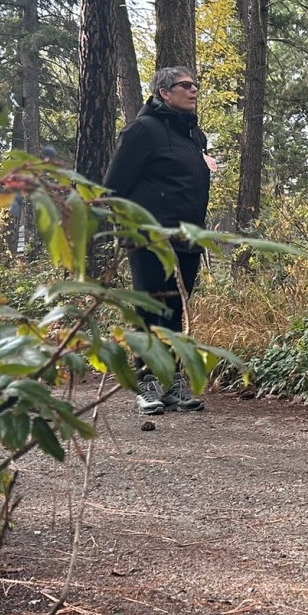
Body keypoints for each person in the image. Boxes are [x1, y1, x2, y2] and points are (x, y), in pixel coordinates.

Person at [103, 66, 216, 417]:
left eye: (195, 84)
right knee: (149, 309)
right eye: (185, 85)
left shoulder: (194, 135)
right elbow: (113, 187)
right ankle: (147, 382)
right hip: (149, 238)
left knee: (174, 310)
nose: (194, 89)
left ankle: (172, 381)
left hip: (187, 239)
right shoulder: (142, 131)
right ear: (164, 93)